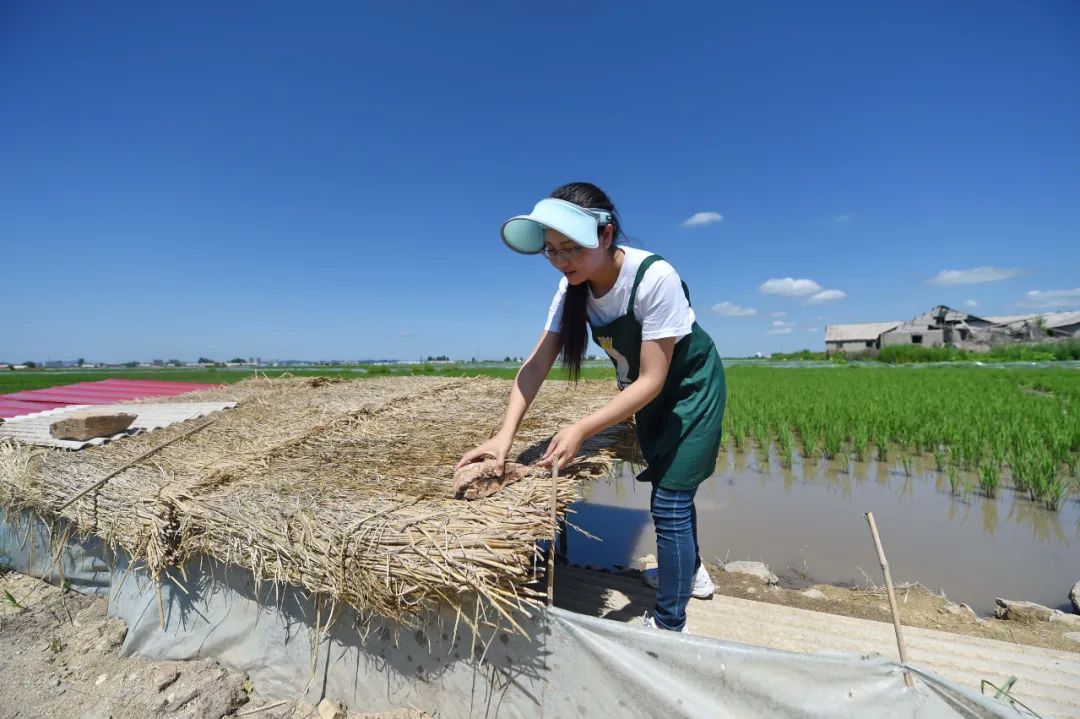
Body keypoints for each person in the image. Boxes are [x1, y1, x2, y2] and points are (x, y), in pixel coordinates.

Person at [456, 182, 726, 632]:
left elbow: (655, 378)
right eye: (551, 251)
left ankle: (668, 623)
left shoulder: (653, 278)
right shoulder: (571, 290)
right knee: (672, 487)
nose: (561, 261)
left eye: (570, 248)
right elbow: (537, 363)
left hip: (689, 394)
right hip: (642, 393)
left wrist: (580, 428)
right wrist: (504, 437)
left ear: (606, 234)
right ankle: (691, 572)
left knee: (670, 502)